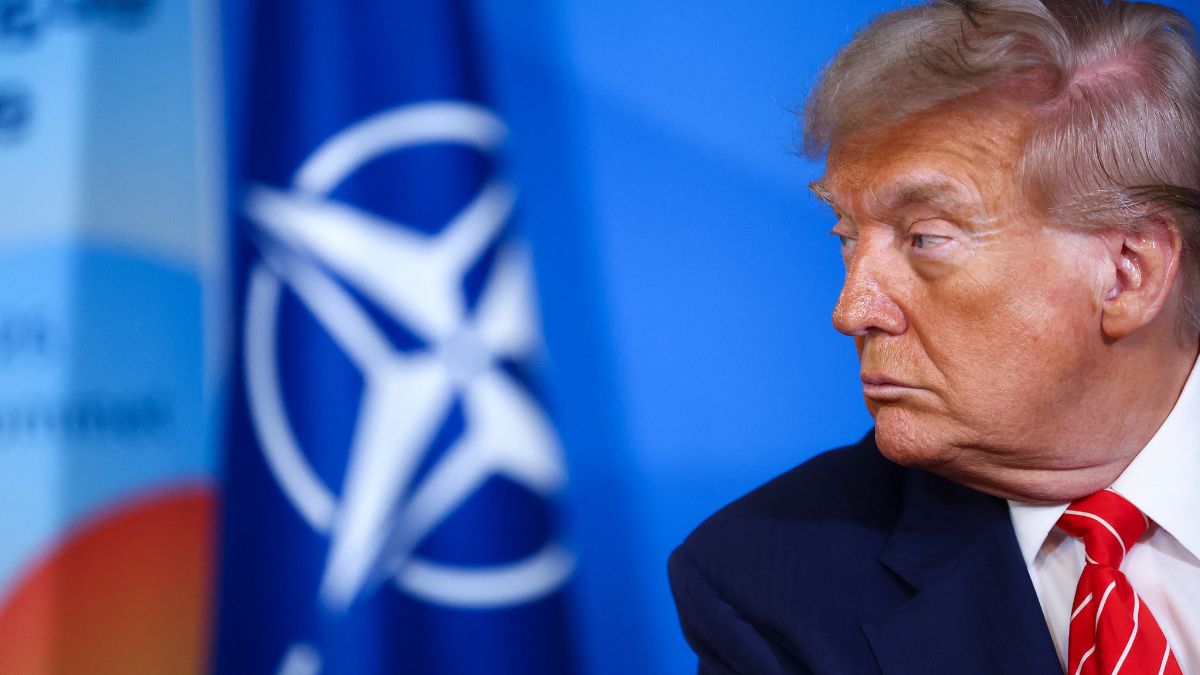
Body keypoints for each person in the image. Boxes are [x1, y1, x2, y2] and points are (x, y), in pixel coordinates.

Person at [668, 0, 1200, 673]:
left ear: (1129, 271)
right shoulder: (766, 583)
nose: (852, 308)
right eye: (847, 237)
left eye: (926, 238)